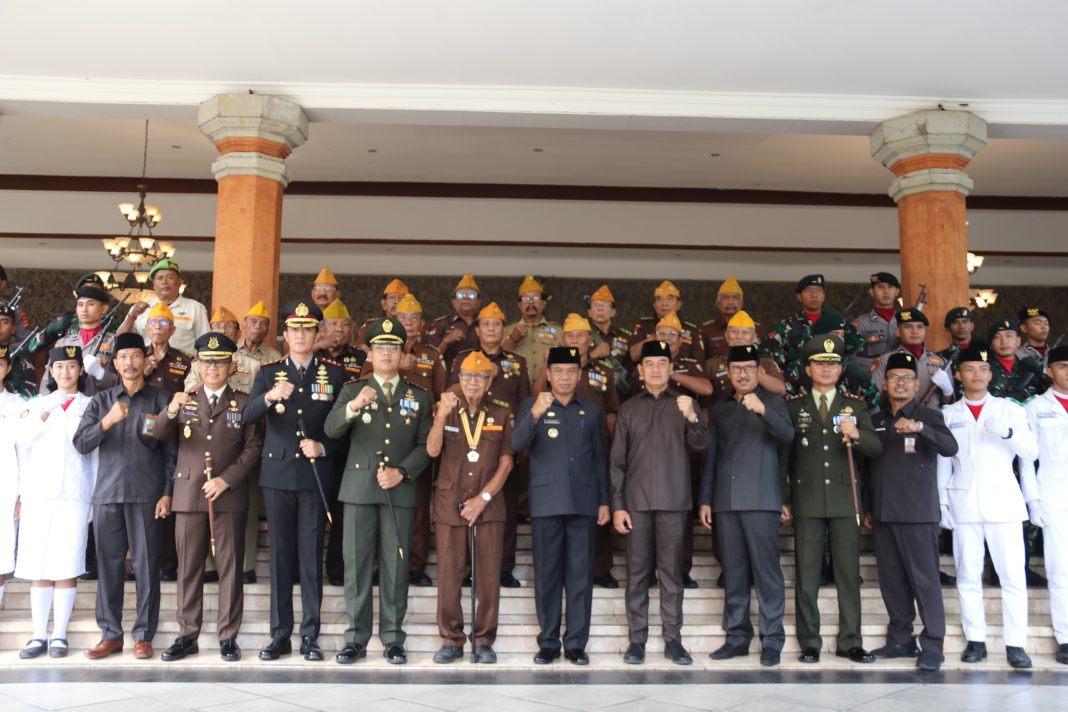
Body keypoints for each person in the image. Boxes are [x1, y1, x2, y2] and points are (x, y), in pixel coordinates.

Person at [324, 317, 432, 666]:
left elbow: (425, 446)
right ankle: (355, 638)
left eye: (393, 347)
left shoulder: (418, 396)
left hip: (398, 491)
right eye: (380, 347)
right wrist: (354, 407)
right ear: (369, 353)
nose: (387, 353)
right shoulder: (353, 390)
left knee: (395, 567)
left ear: (403, 354)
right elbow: (331, 428)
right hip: (357, 490)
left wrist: (402, 472)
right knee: (355, 567)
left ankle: (393, 637)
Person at [244, 300, 346, 662]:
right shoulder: (269, 371)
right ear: (285, 335)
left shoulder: (335, 374)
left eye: (307, 329)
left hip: (316, 476)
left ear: (316, 333)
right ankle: (280, 635)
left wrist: (324, 444)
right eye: (294, 329)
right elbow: (245, 414)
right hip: (278, 474)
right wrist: (270, 397)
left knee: (310, 559)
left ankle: (310, 636)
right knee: (281, 558)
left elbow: (344, 427)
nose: (301, 334)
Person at [153, 333, 262, 663]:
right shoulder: (183, 399)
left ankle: (228, 636)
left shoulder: (243, 403)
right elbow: (156, 435)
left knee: (230, 567)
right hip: (188, 493)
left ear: (231, 366)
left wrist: (226, 480)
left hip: (228, 495)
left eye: (220, 362)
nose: (213, 367)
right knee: (188, 567)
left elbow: (253, 446)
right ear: (198, 365)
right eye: (207, 362)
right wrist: (170, 411)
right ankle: (188, 634)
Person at [73, 332, 176, 660]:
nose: (129, 363)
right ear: (114, 363)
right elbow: (81, 443)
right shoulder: (102, 400)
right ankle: (110, 634)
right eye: (123, 357)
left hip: (147, 495)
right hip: (107, 495)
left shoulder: (161, 399)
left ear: (146, 362)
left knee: (147, 567)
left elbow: (172, 452)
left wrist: (167, 493)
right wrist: (106, 423)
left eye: (136, 356)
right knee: (110, 567)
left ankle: (144, 635)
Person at [780, 335, 882, 664]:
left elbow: (875, 448)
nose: (827, 369)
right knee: (807, 573)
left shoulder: (856, 406)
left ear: (840, 370)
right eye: (820, 364)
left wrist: (858, 435)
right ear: (809, 369)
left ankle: (850, 640)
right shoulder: (794, 407)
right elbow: (784, 457)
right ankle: (810, 641)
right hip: (807, 499)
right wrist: (784, 497)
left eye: (833, 364)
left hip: (844, 499)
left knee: (847, 574)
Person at [938, 346, 1040, 669]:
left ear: (991, 374)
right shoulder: (948, 414)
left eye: (983, 369)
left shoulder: (1009, 409)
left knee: (1012, 576)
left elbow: (1031, 451)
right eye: (970, 369)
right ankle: (976, 640)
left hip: (1004, 503)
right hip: (963, 501)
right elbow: (944, 463)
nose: (977, 375)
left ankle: (1015, 644)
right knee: (968, 574)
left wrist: (1007, 432)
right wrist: (941, 501)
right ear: (959, 375)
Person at [611, 339, 708, 666]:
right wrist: (618, 505)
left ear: (670, 369)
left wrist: (693, 417)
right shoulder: (629, 408)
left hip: (673, 501)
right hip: (636, 505)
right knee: (637, 574)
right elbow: (617, 463)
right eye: (649, 364)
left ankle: (673, 639)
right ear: (639, 370)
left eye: (661, 364)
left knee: (671, 575)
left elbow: (701, 447)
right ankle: (636, 640)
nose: (655, 369)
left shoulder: (684, 403)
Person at [512, 346, 610, 666]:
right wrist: (536, 413)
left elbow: (599, 460)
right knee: (548, 576)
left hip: (583, 503)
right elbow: (516, 445)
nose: (565, 377)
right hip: (546, 504)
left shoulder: (591, 411)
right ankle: (549, 642)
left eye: (571, 371)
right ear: (549, 374)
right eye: (559, 371)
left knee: (580, 576)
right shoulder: (531, 405)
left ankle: (576, 643)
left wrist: (605, 502)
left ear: (579, 375)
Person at [698, 344, 793, 667]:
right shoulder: (721, 408)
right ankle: (737, 637)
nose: (742, 375)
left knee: (767, 573)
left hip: (762, 500)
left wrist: (763, 411)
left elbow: (788, 437)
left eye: (748, 369)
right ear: (728, 371)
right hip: (726, 502)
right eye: (736, 369)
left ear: (758, 372)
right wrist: (706, 500)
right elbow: (712, 458)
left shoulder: (773, 402)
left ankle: (772, 639)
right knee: (734, 573)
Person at [865, 353, 958, 672]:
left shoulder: (928, 416)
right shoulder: (876, 420)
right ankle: (900, 639)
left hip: (918, 513)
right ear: (885, 383)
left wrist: (920, 428)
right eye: (895, 378)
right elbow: (869, 468)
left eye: (907, 378)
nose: (901, 383)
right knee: (892, 581)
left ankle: (933, 643)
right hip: (883, 512)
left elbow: (950, 447)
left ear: (917, 385)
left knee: (925, 581)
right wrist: (867, 506)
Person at [426, 351, 514, 664]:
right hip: (450, 503)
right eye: (466, 376)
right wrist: (439, 416)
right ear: (458, 380)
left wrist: (483, 499)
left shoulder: (503, 414)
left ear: (490, 380)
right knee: (449, 575)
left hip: (488, 507)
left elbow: (506, 463)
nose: (472, 382)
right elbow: (432, 451)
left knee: (488, 577)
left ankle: (484, 640)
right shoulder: (447, 410)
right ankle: (451, 639)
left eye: (479, 377)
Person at [184, 300, 281, 584]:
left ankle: (246, 565)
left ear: (237, 331)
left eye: (229, 327)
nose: (224, 330)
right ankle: (210, 565)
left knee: (245, 503)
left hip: (244, 427)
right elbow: (191, 390)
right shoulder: (200, 363)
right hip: (208, 431)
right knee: (205, 502)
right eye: (218, 327)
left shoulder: (265, 359)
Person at [15, 347, 97, 660]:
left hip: (75, 495)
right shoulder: (35, 404)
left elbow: (96, 457)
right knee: (39, 564)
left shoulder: (91, 405)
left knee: (67, 564)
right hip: (38, 495)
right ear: (50, 370)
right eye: (59, 366)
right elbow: (22, 444)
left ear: (80, 371)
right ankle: (38, 635)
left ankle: (59, 635)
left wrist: (92, 498)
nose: (65, 372)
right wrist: (44, 414)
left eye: (71, 366)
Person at [362, 292, 445, 588]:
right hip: (381, 438)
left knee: (419, 508)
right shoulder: (379, 351)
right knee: (376, 505)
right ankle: (378, 564)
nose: (408, 323)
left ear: (422, 323)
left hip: (416, 439)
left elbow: (439, 395)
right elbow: (364, 383)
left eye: (414, 318)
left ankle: (415, 565)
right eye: (402, 318)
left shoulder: (433, 356)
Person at [448, 301, 530, 588]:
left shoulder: (517, 363)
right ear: (478, 329)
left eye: (497, 324)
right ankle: (470, 567)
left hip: (502, 442)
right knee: (467, 503)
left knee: (503, 507)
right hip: (468, 443)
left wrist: (519, 443)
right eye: (486, 324)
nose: (491, 329)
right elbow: (449, 394)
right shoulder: (462, 360)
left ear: (503, 328)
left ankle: (504, 567)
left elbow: (524, 405)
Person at [534, 313, 620, 589]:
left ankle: (601, 567)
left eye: (579, 336)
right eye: (569, 336)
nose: (574, 340)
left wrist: (612, 445)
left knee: (596, 512)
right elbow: (534, 394)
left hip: (594, 447)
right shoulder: (555, 368)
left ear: (589, 339)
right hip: (557, 451)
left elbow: (613, 411)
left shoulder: (604, 371)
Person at [1020, 344, 1068, 665]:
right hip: (1054, 494)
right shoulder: (1035, 407)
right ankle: (1065, 637)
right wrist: (1033, 501)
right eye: (1063, 366)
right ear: (1049, 370)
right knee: (1060, 569)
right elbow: (1026, 461)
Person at [30, 275, 117, 395]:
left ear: (104, 308)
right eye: (80, 305)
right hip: (66, 406)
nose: (84, 309)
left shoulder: (113, 341)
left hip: (100, 406)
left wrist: (100, 373)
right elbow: (48, 379)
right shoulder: (64, 341)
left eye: (91, 304)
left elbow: (122, 382)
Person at [122, 259, 210, 358]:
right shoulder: (139, 309)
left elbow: (206, 345)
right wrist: (131, 316)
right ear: (154, 285)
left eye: (170, 277)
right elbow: (121, 340)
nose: (164, 282)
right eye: (159, 278)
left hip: (183, 369)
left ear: (179, 282)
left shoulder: (196, 308)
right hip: (146, 368)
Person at [871, 308, 954, 409]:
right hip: (898, 421)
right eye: (908, 327)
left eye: (920, 327)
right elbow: (874, 399)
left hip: (932, 421)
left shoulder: (941, 362)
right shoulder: (886, 360)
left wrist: (947, 391)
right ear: (898, 331)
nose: (915, 331)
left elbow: (949, 404)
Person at [705, 310, 785, 406]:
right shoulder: (712, 365)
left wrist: (754, 371)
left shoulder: (765, 361)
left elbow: (781, 390)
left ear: (754, 337)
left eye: (745, 332)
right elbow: (705, 405)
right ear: (726, 335)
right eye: (734, 331)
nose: (739, 336)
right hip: (724, 417)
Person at [0, 345, 27, 615]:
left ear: (8, 369)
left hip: (5, 487)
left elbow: (25, 453)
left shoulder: (18, 405)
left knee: (1, 550)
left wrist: (22, 495)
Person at [503, 275, 563, 385]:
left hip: (549, 391)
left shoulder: (559, 332)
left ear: (544, 304)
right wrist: (512, 340)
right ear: (519, 305)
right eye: (525, 299)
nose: (530, 302)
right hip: (516, 392)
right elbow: (495, 359)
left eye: (535, 298)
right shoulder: (507, 331)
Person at [628, 280, 705, 365]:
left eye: (670, 298)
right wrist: (655, 337)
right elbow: (633, 355)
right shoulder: (644, 326)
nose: (664, 303)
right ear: (654, 305)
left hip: (682, 373)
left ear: (679, 304)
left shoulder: (691, 330)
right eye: (659, 299)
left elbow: (700, 363)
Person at [699, 277, 769, 360]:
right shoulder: (707, 330)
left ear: (741, 303)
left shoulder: (757, 329)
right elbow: (701, 363)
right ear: (718, 303)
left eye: (735, 297)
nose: (730, 302)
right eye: (725, 297)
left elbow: (766, 358)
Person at [426, 273, 483, 370]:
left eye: (472, 295)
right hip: (448, 380)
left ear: (479, 301)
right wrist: (446, 341)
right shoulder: (442, 324)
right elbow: (428, 360)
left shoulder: (486, 324)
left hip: (480, 377)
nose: (466, 298)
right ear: (453, 301)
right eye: (461, 294)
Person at [585, 284, 632, 399]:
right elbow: (572, 364)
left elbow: (631, 369)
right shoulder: (581, 335)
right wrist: (593, 354)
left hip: (618, 395)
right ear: (589, 312)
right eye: (595, 305)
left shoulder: (625, 337)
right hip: (590, 393)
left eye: (605, 305)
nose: (600, 309)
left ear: (613, 312)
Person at [987, 319, 1048, 402]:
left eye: (1009, 336)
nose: (1004, 341)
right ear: (990, 344)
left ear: (1018, 341)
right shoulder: (985, 369)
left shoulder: (1030, 368)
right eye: (997, 337)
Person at [852, 272, 901, 370]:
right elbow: (850, 357)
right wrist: (876, 363)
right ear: (872, 292)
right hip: (871, 376)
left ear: (897, 291)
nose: (886, 291)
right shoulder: (861, 324)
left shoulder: (904, 322)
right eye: (881, 287)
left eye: (890, 287)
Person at [355, 278, 410, 349]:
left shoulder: (414, 328)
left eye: (402, 298)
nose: (396, 301)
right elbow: (359, 350)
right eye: (392, 297)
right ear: (384, 304)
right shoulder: (371, 326)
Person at [317, 299, 365, 379]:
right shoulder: (312, 355)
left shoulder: (360, 356)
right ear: (322, 330)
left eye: (345, 324)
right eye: (334, 323)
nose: (339, 329)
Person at [0, 304, 37, 397]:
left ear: (13, 329)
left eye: (4, 322)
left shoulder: (22, 365)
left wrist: (8, 351)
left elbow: (30, 340)